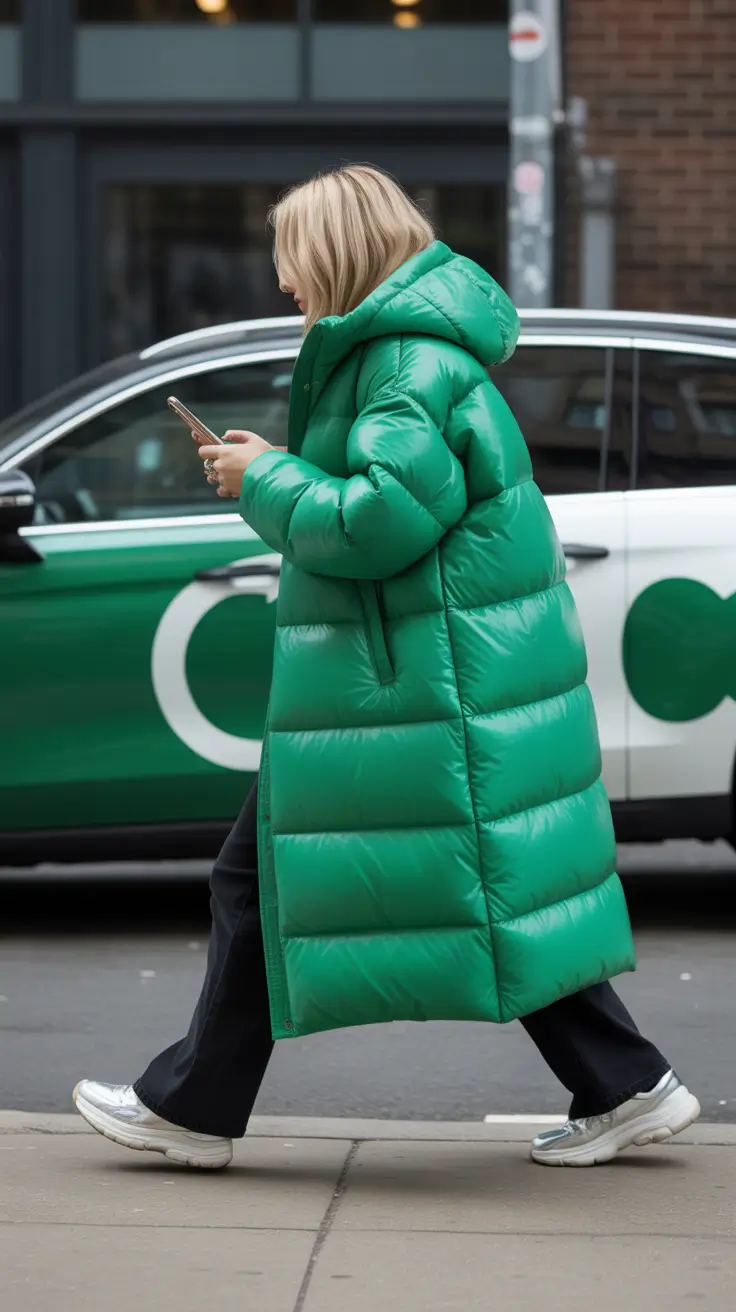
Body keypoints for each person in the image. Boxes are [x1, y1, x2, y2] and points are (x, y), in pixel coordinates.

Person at [73, 165, 699, 1170]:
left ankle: (191, 1108)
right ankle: (626, 1082)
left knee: (285, 881)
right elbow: (392, 493)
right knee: (486, 883)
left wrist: (262, 478)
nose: (283, 283)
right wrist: (279, 466)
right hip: (429, 676)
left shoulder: (402, 362)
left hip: (416, 682)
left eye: (290, 259)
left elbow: (377, 524)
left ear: (333, 252)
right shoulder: (414, 354)